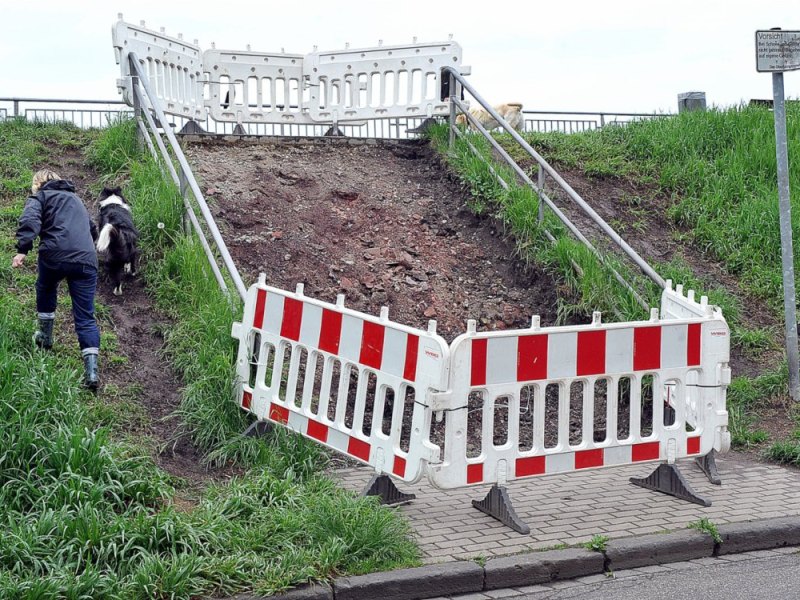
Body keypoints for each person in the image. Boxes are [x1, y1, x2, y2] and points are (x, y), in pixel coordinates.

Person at [12, 169, 101, 391]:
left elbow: (30, 220)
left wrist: (23, 249)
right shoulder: (77, 199)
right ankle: (91, 372)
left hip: (54, 254)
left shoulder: (40, 197)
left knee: (45, 287)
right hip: (86, 259)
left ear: (37, 184)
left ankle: (45, 337)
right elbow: (92, 229)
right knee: (86, 316)